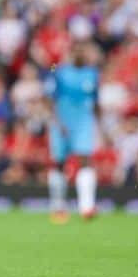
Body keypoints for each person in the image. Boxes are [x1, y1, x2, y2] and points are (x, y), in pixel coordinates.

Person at [46, 41, 100, 223]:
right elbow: (49, 98)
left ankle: (87, 207)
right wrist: (57, 121)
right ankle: (58, 206)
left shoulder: (92, 74)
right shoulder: (60, 72)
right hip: (62, 121)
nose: (79, 54)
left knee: (85, 160)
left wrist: (99, 125)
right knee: (59, 163)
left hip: (84, 122)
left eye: (82, 51)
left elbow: (96, 101)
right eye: (76, 50)